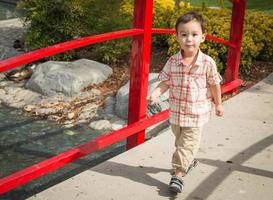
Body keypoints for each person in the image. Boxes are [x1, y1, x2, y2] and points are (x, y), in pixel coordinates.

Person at [147, 11, 223, 193]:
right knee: (180, 141)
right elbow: (166, 81)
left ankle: (178, 175)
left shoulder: (207, 62)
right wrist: (155, 93)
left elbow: (214, 84)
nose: (189, 39)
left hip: (196, 113)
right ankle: (189, 160)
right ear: (177, 37)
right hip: (176, 113)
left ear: (203, 37)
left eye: (194, 34)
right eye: (184, 34)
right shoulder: (173, 61)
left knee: (186, 143)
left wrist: (218, 104)